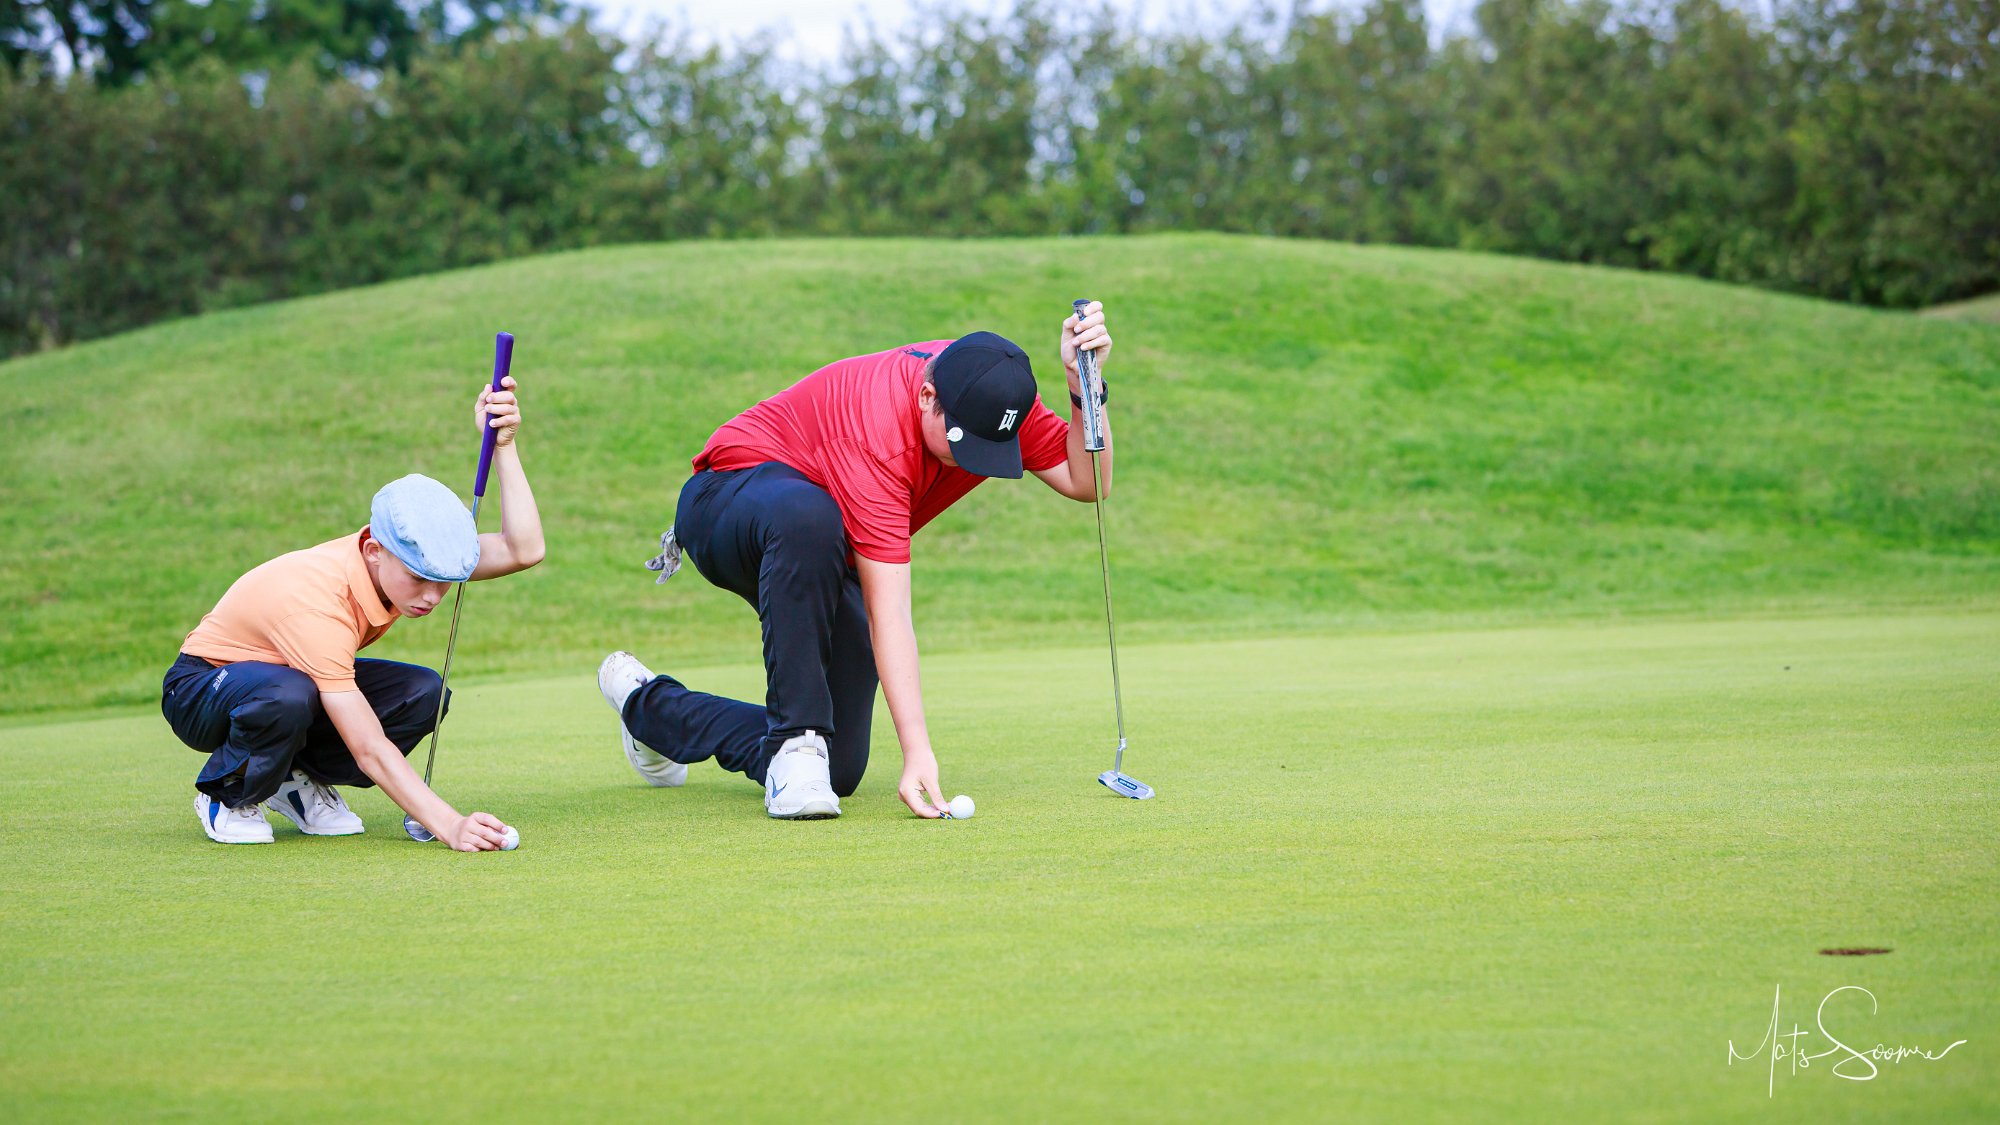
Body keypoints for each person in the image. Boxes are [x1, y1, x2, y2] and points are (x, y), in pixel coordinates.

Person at [599, 302, 1115, 820]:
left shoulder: (991, 399)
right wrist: (918, 752)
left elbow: (1088, 481)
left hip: (825, 543)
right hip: (728, 504)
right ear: (927, 396)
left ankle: (654, 712)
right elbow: (889, 615)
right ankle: (796, 741)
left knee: (838, 768)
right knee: (809, 516)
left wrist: (1082, 387)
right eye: (963, 444)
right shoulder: (880, 435)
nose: (970, 458)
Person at [161, 377, 544, 849]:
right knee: (288, 693)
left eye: (444, 580)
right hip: (202, 688)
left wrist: (504, 446)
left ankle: (288, 778)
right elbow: (367, 747)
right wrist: (449, 823)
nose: (430, 595)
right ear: (373, 549)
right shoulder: (317, 604)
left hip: (288, 678)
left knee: (422, 692)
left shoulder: (402, 561)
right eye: (418, 576)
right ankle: (229, 793)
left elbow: (522, 549)